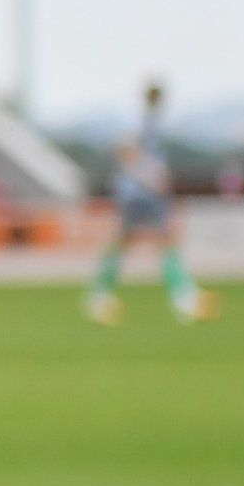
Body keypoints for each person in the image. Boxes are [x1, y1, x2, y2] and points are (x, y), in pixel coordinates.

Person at [87, 79, 212, 323]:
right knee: (162, 242)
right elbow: (126, 152)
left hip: (135, 194)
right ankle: (183, 298)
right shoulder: (143, 124)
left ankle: (100, 295)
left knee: (130, 243)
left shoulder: (149, 123)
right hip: (142, 194)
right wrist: (151, 178)